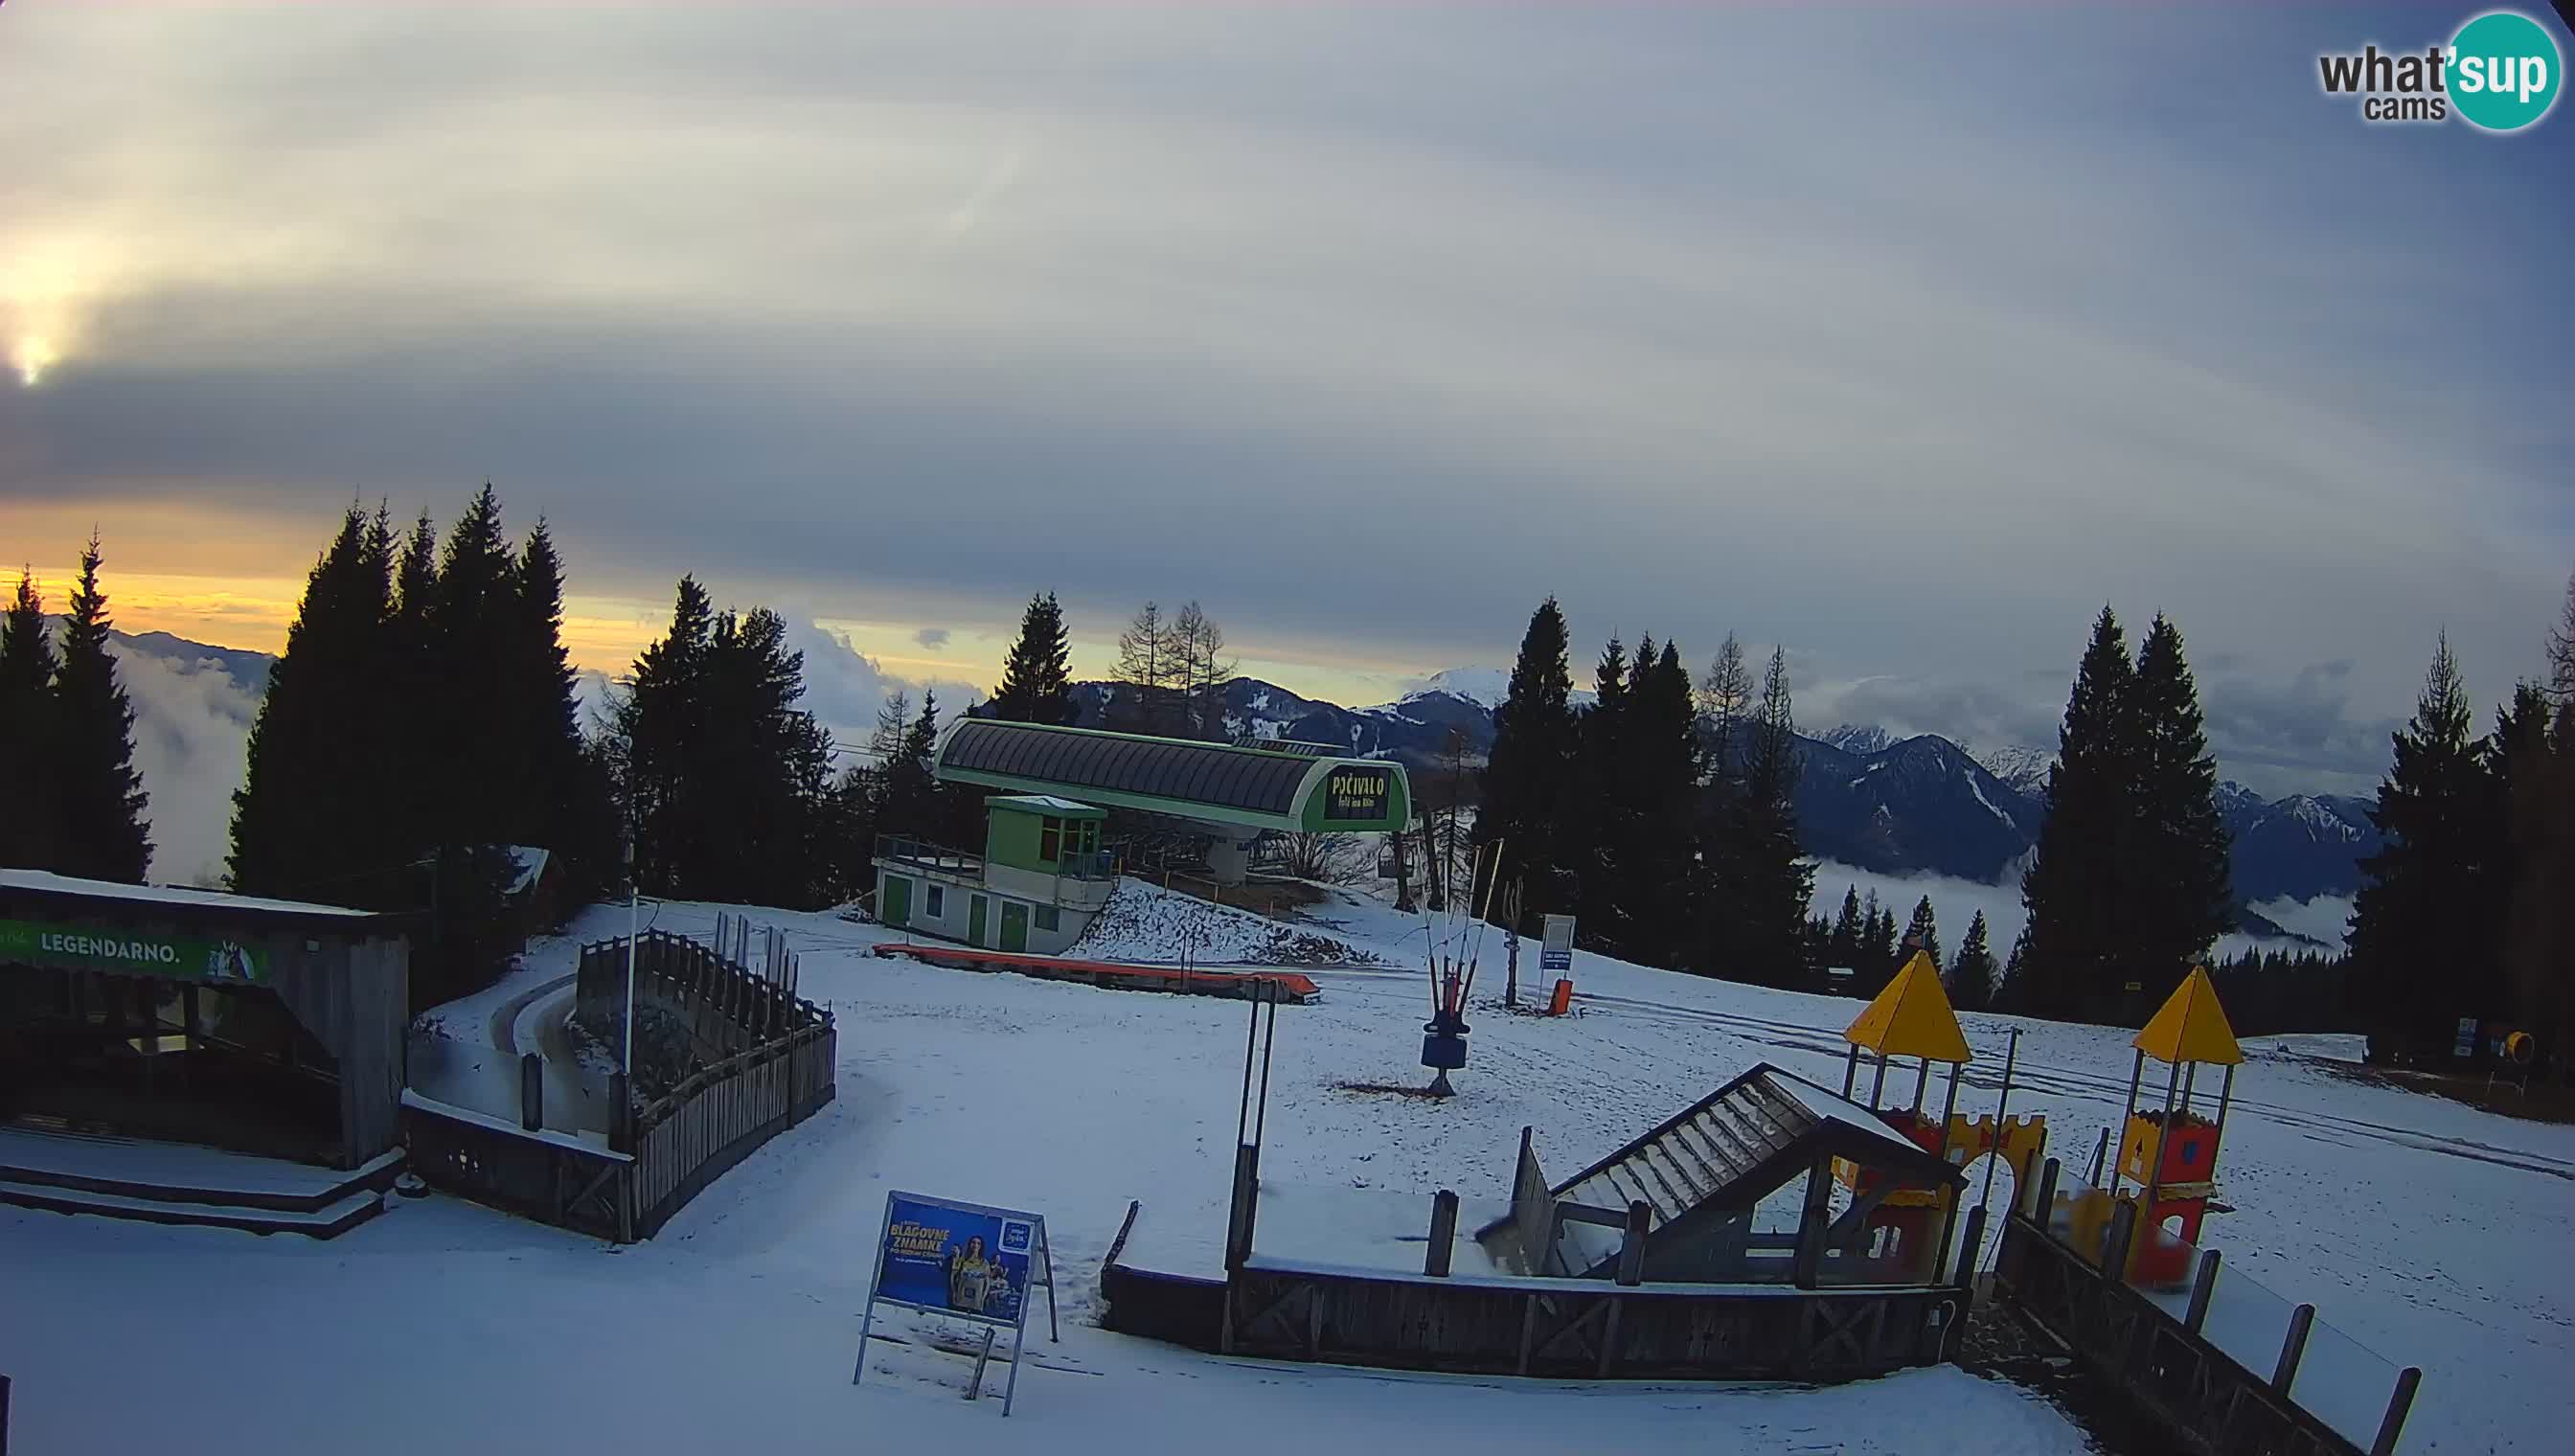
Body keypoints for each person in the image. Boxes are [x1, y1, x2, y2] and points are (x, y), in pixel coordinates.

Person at [946, 1235, 993, 1313]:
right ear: (969, 1244)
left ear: (981, 1247)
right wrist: (954, 1293)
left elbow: (987, 1283)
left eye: (978, 1243)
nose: (975, 1245)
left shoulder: (985, 1263)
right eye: (973, 1242)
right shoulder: (961, 1260)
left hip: (976, 1304)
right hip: (961, 1302)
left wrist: (983, 1298)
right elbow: (952, 1277)